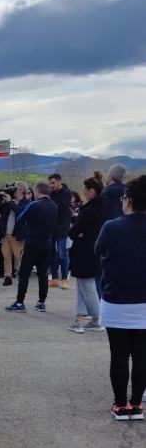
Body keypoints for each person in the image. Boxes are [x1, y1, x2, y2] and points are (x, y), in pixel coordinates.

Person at [95, 175, 146, 420]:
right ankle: (137, 404)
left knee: (119, 355)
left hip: (116, 299)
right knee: (142, 355)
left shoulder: (112, 227)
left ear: (129, 200)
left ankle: (120, 405)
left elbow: (98, 250)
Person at [6, 182, 57, 313]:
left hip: (32, 242)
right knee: (42, 274)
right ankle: (41, 302)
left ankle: (19, 302)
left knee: (24, 273)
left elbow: (20, 218)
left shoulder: (34, 205)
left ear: (37, 191)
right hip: (47, 243)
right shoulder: (54, 206)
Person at [68, 173, 108, 333]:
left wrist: (77, 232)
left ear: (92, 190)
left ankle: (97, 319)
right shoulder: (102, 207)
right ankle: (80, 319)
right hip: (94, 251)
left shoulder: (89, 210)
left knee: (87, 286)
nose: (83, 191)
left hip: (84, 252)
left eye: (85, 189)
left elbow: (74, 231)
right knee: (83, 286)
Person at [0, 181, 29, 285]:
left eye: (15, 189)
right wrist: (1, 201)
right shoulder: (9, 201)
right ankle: (8, 277)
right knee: (6, 256)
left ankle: (24, 274)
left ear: (21, 190)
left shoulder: (26, 202)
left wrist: (10, 202)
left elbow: (19, 211)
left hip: (17, 234)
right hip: (6, 233)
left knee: (19, 256)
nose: (13, 191)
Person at [48, 173, 72, 288]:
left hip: (62, 228)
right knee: (52, 254)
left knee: (62, 254)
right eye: (50, 183)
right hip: (51, 228)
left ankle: (64, 278)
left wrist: (51, 205)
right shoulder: (50, 193)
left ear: (59, 182)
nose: (51, 185)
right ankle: (54, 278)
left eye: (53, 183)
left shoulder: (67, 193)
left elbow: (63, 207)